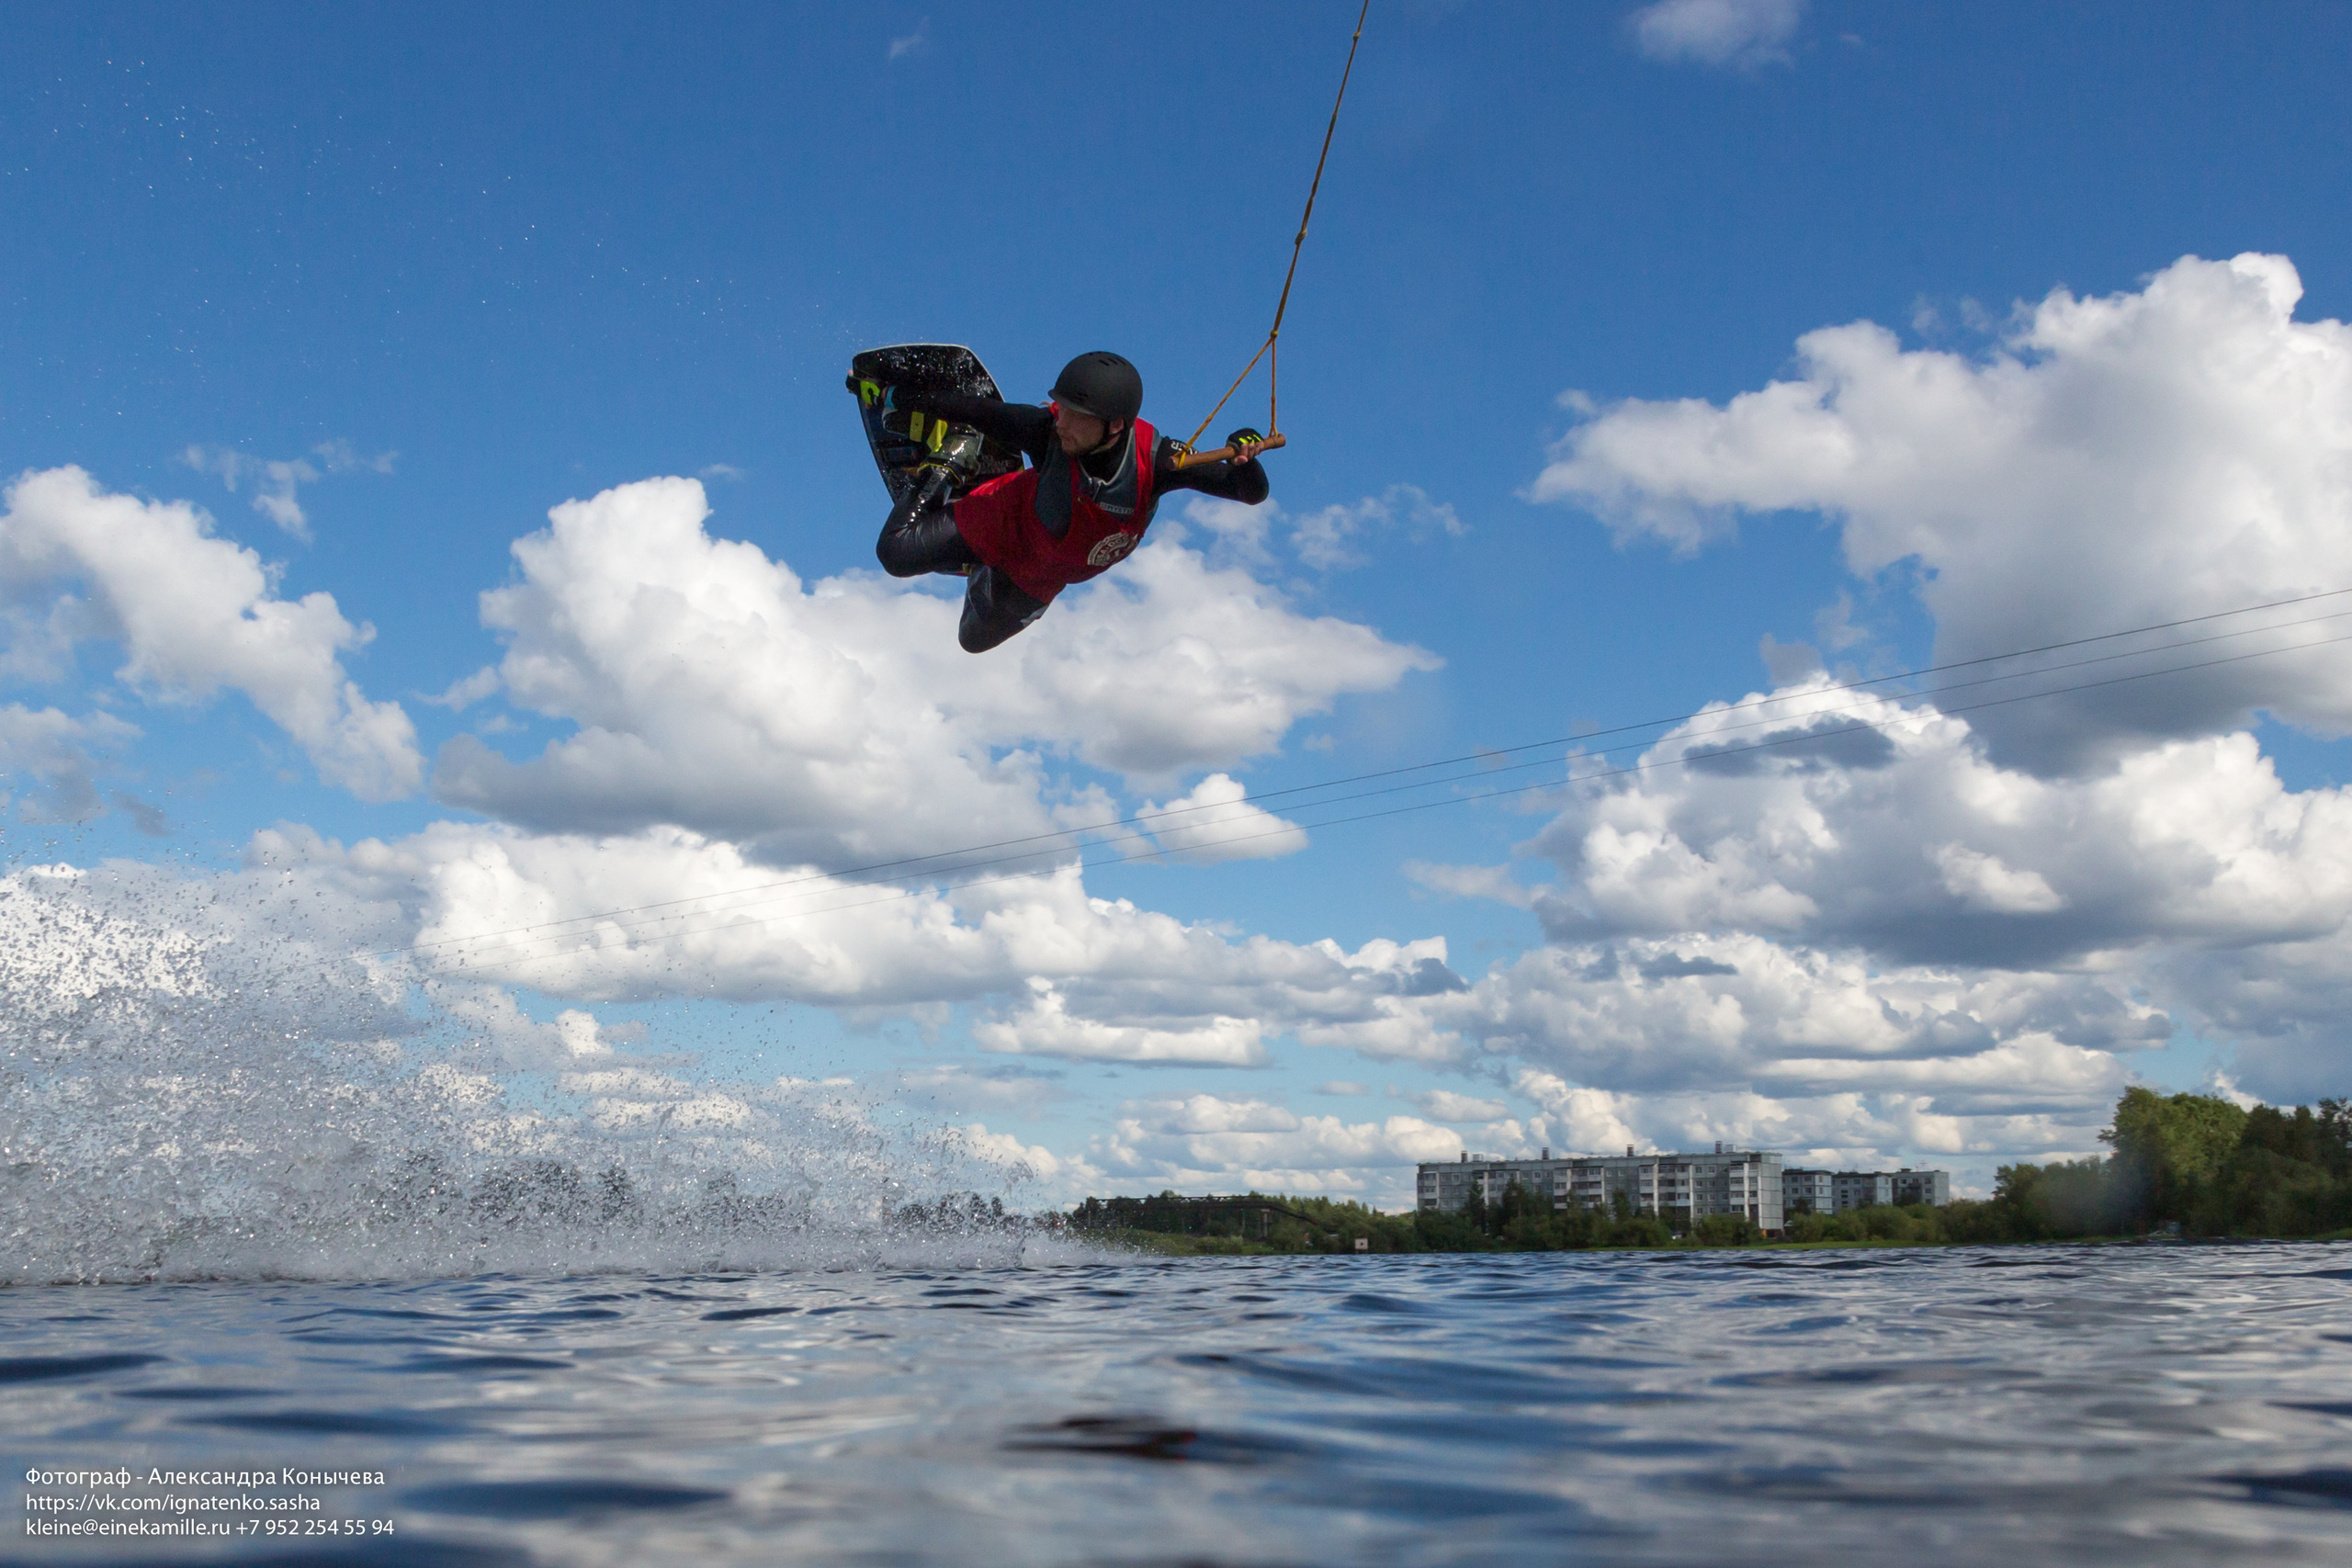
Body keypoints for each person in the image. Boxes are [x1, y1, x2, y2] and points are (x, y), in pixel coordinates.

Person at [870, 351, 1272, 652]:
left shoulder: (1161, 463)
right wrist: (895, 396)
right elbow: (975, 408)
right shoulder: (1048, 430)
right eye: (1061, 408)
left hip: (1037, 579)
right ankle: (953, 458)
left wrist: (1244, 460)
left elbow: (1249, 493)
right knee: (895, 554)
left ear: (1114, 425)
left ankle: (979, 559)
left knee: (971, 641)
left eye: (1074, 413)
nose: (1060, 419)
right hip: (1001, 521)